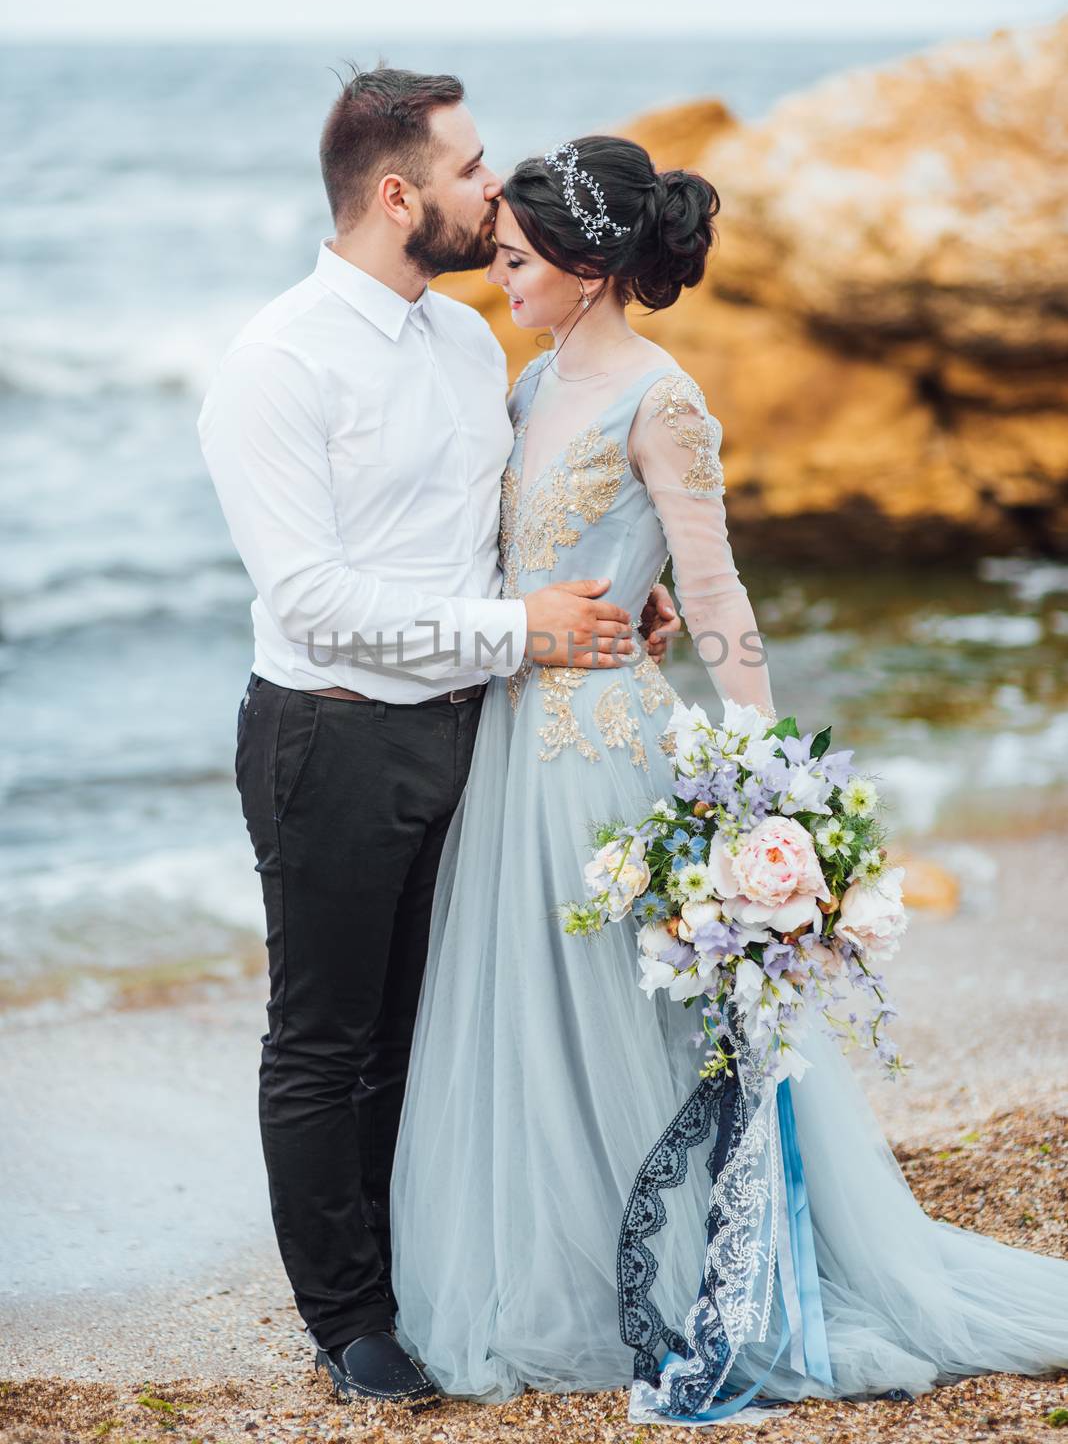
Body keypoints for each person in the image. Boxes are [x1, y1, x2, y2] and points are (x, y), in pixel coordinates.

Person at [389, 135, 1068, 1416]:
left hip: (600, 748)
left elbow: (713, 587)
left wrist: (765, 774)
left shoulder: (664, 398)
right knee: (531, 1012)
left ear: (591, 272)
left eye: (524, 262)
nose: (504, 277)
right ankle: (560, 1261)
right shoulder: (531, 392)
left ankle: (690, 1271)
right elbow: (542, 560)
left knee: (620, 1016)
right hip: (512, 734)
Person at [196, 68, 681, 1407]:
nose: (497, 188)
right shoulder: (276, 364)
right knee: (325, 1034)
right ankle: (351, 1324)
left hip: (475, 731)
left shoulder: (473, 346)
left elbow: (498, 548)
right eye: (472, 168)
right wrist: (521, 629)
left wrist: (606, 613)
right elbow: (315, 603)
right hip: (330, 739)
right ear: (396, 191)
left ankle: (414, 1273)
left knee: (422, 1023)